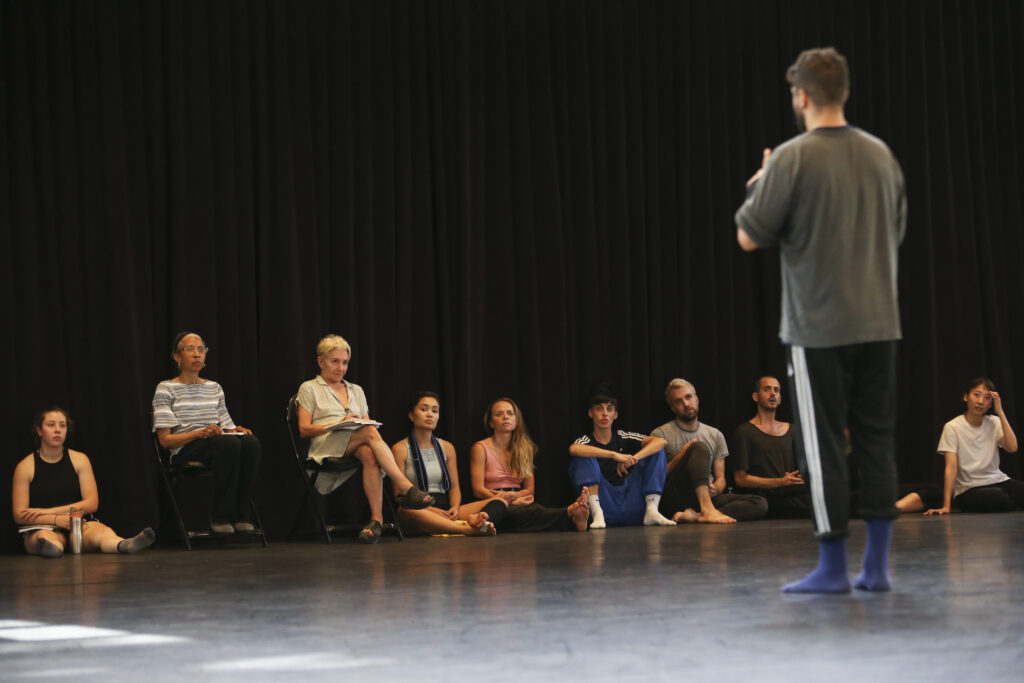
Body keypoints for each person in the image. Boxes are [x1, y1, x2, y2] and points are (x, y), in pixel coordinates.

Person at [735, 47, 906, 593]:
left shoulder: (790, 157)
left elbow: (748, 234)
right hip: (880, 323)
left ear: (802, 96)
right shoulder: (882, 155)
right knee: (877, 440)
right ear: (845, 92)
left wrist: (761, 183)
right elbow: (894, 235)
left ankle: (833, 569)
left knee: (822, 443)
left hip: (816, 330)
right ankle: (876, 568)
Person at [296, 334, 434, 543]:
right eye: (335, 361)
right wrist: (337, 424)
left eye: (345, 362)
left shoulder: (356, 390)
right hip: (325, 447)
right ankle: (405, 486)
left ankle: (376, 521)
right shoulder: (309, 388)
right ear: (320, 361)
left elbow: (369, 427)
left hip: (354, 442)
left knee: (370, 451)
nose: (341, 367)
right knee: (369, 434)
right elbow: (304, 430)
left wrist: (355, 424)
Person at [153, 332, 262, 535]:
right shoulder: (166, 388)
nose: (197, 354)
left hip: (216, 443)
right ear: (177, 357)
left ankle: (241, 515)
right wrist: (199, 433)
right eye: (190, 349)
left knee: (250, 443)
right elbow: (165, 441)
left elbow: (227, 426)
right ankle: (221, 516)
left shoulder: (214, 388)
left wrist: (236, 430)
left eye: (201, 350)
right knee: (227, 445)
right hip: (185, 447)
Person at [13, 407, 155, 558]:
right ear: (39, 430)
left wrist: (51, 511)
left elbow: (92, 503)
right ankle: (52, 548)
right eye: (51, 425)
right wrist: (54, 520)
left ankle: (123, 544)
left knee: (101, 532)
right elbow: (19, 515)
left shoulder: (80, 460)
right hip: (43, 525)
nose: (57, 430)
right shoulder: (25, 467)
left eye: (62, 425)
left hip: (77, 522)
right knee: (43, 536)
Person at [651, 379, 768, 523]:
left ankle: (697, 516)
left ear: (696, 399)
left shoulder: (715, 434)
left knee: (760, 503)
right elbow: (654, 477)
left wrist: (717, 489)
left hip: (708, 497)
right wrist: (682, 455)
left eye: (688, 397)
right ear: (673, 408)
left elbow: (721, 478)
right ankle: (706, 511)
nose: (686, 404)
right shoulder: (660, 434)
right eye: (678, 401)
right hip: (677, 497)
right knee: (699, 447)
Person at [389, 391, 502, 538]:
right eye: (424, 409)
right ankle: (467, 529)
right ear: (411, 415)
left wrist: (455, 507)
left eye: (435, 411)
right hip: (420, 509)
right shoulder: (400, 449)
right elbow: (399, 495)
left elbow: (454, 487)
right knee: (404, 510)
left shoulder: (447, 447)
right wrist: (433, 510)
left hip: (446, 508)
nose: (430, 414)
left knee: (499, 501)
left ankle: (467, 523)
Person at [471, 398, 590, 533]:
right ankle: (570, 514)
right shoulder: (480, 448)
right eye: (499, 414)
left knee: (532, 511)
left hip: (519, 500)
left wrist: (514, 498)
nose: (506, 417)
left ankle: (575, 516)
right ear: (491, 423)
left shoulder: (525, 448)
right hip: (492, 502)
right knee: (525, 514)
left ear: (516, 419)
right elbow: (478, 490)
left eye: (510, 413)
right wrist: (503, 499)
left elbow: (529, 489)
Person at [567, 387, 675, 528]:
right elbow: (574, 449)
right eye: (599, 409)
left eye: (609, 409)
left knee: (656, 451)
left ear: (615, 414)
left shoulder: (623, 436)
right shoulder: (585, 440)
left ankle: (652, 510)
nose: (605, 413)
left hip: (632, 503)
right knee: (582, 457)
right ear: (590, 413)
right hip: (605, 505)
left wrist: (633, 459)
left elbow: (661, 442)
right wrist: (614, 455)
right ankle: (597, 514)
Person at [924, 378, 1021, 515]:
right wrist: (946, 506)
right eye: (976, 394)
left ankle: (1011, 501)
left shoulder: (994, 422)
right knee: (998, 497)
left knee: (1013, 492)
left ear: (991, 403)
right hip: (969, 489)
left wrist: (1000, 412)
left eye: (987, 397)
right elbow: (951, 467)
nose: (980, 401)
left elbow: (1012, 447)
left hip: (997, 481)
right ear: (966, 397)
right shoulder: (952, 427)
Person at [731, 376, 811, 518]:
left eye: (776, 390)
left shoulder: (793, 430)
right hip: (764, 497)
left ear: (780, 398)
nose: (772, 393)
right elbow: (740, 479)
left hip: (791, 494)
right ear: (756, 396)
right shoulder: (745, 432)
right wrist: (780, 482)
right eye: (767, 389)